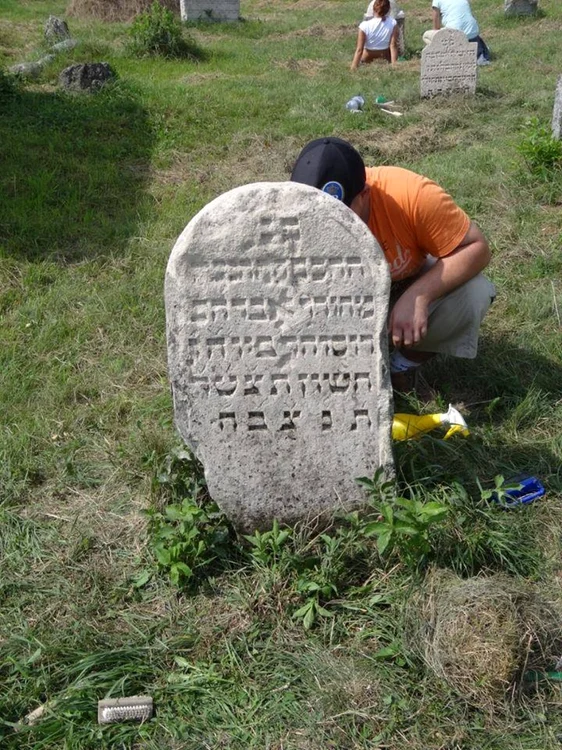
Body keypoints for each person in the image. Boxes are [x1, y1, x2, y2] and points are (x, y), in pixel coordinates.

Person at [290, 137, 496, 392]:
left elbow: (477, 248)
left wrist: (419, 296)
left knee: (473, 292)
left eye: (342, 215)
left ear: (365, 195)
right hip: (339, 299)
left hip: (404, 281)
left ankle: (401, 366)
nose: (328, 228)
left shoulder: (412, 195)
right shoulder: (284, 214)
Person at [423, 0, 490, 65]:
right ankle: (477, 53)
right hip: (473, 32)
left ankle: (444, 54)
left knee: (426, 36)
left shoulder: (437, 1)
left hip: (455, 34)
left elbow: (436, 23)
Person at [351, 0, 399, 70]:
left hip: (367, 57)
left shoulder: (364, 25)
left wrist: (353, 66)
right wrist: (394, 64)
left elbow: (359, 49)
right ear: (388, 9)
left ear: (373, 9)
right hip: (384, 56)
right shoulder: (393, 23)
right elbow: (393, 45)